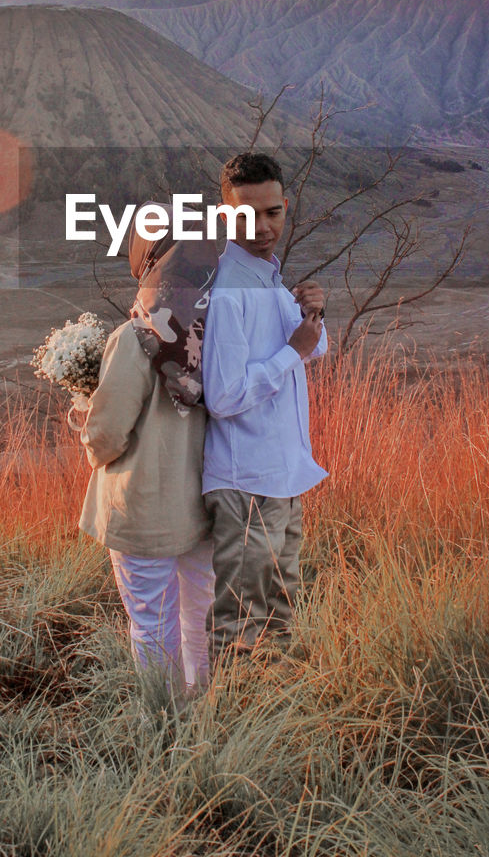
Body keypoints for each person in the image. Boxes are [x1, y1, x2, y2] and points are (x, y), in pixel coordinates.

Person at [78, 205, 219, 699]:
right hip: (204, 509)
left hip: (140, 514)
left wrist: (84, 427)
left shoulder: (134, 338)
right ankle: (206, 713)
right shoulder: (221, 335)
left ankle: (165, 733)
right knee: (200, 620)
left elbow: (107, 433)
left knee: (152, 627)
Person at [201, 152, 328, 657]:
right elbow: (224, 395)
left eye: (272, 212)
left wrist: (310, 315)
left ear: (285, 207)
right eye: (246, 215)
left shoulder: (267, 274)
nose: (262, 226)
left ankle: (277, 724)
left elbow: (308, 350)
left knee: (280, 611)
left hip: (281, 476)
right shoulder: (229, 287)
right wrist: (291, 350)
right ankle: (228, 727)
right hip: (246, 482)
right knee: (239, 621)